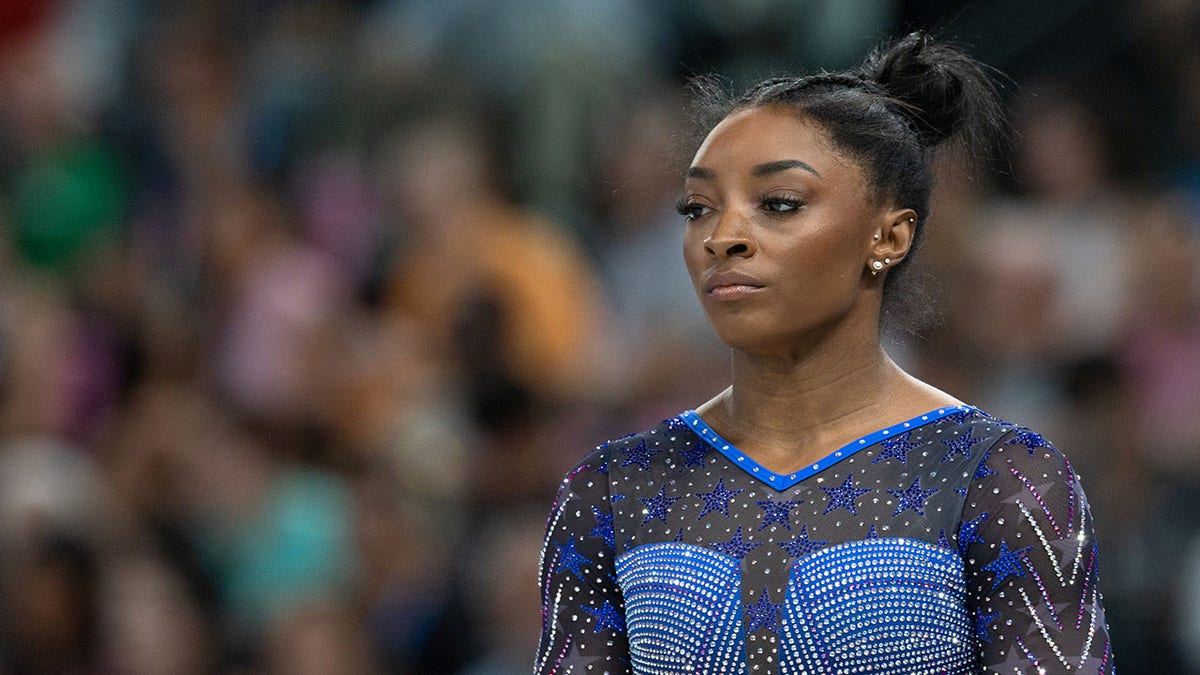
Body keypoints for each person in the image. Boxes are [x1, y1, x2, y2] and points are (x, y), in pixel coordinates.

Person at [535, 32, 1113, 674]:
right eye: (698, 209)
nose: (723, 237)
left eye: (778, 204)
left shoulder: (998, 478)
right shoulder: (615, 490)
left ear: (888, 236)